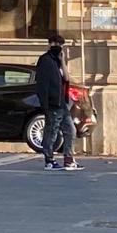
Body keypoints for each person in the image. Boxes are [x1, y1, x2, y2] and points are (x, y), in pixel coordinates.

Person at [35, 33, 78, 171]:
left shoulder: (57, 61)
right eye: (55, 44)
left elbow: (66, 77)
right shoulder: (45, 60)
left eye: (60, 45)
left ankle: (69, 159)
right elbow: (42, 84)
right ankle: (49, 159)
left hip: (62, 103)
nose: (58, 47)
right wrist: (45, 104)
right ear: (50, 44)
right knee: (51, 131)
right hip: (52, 103)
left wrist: (63, 61)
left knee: (70, 130)